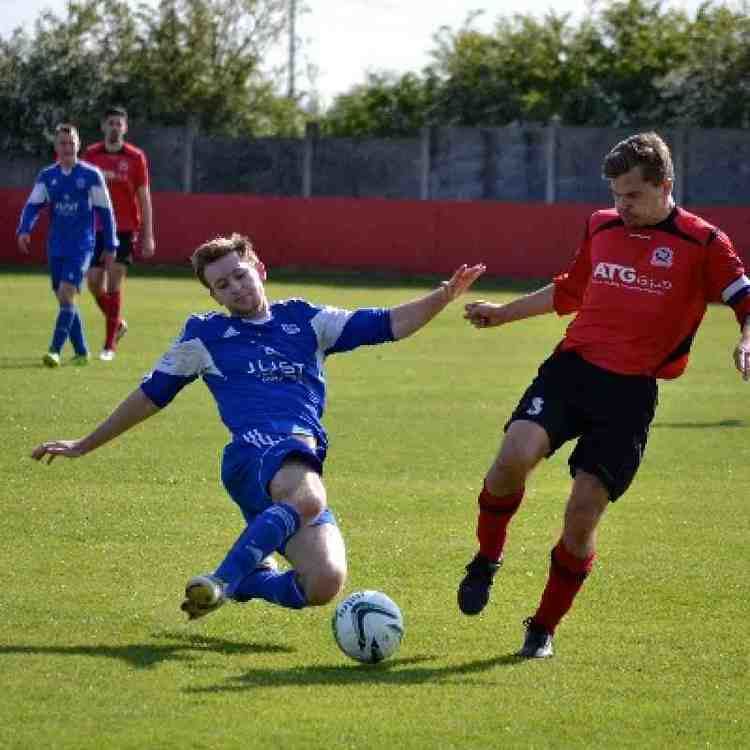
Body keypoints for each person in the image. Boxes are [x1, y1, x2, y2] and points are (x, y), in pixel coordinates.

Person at [32, 234, 485, 620]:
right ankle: (220, 581)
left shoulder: (305, 320)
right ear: (214, 296)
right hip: (253, 457)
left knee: (325, 581)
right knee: (309, 496)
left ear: (260, 270)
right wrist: (86, 443)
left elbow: (388, 324)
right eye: (222, 285)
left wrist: (443, 294)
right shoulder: (203, 336)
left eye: (240, 275)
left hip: (295, 462)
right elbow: (150, 395)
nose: (235, 288)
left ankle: (250, 581)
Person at [456, 131, 750, 659]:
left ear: (665, 186)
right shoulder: (601, 226)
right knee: (510, 460)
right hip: (572, 371)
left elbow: (744, 299)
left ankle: (542, 628)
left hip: (630, 395)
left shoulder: (704, 242)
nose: (621, 205)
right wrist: (502, 314)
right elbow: (570, 290)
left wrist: (746, 341)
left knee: (582, 513)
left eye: (632, 195)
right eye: (616, 194)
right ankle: (486, 559)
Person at [17, 123, 118, 367]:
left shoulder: (90, 175)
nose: (67, 147)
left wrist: (111, 243)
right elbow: (33, 205)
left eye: (71, 142)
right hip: (56, 246)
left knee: (65, 293)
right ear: (56, 147)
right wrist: (24, 229)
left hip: (82, 245)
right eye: (63, 143)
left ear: (78, 144)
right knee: (65, 299)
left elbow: (106, 212)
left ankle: (54, 351)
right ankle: (82, 351)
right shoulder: (47, 176)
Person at [83, 106, 156, 361]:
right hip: (96, 227)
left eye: (119, 123)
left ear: (125, 128)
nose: (115, 127)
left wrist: (148, 234)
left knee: (114, 281)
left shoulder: (136, 157)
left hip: (124, 228)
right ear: (103, 126)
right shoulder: (91, 155)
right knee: (93, 281)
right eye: (111, 123)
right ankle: (118, 323)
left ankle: (109, 345)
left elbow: (144, 197)